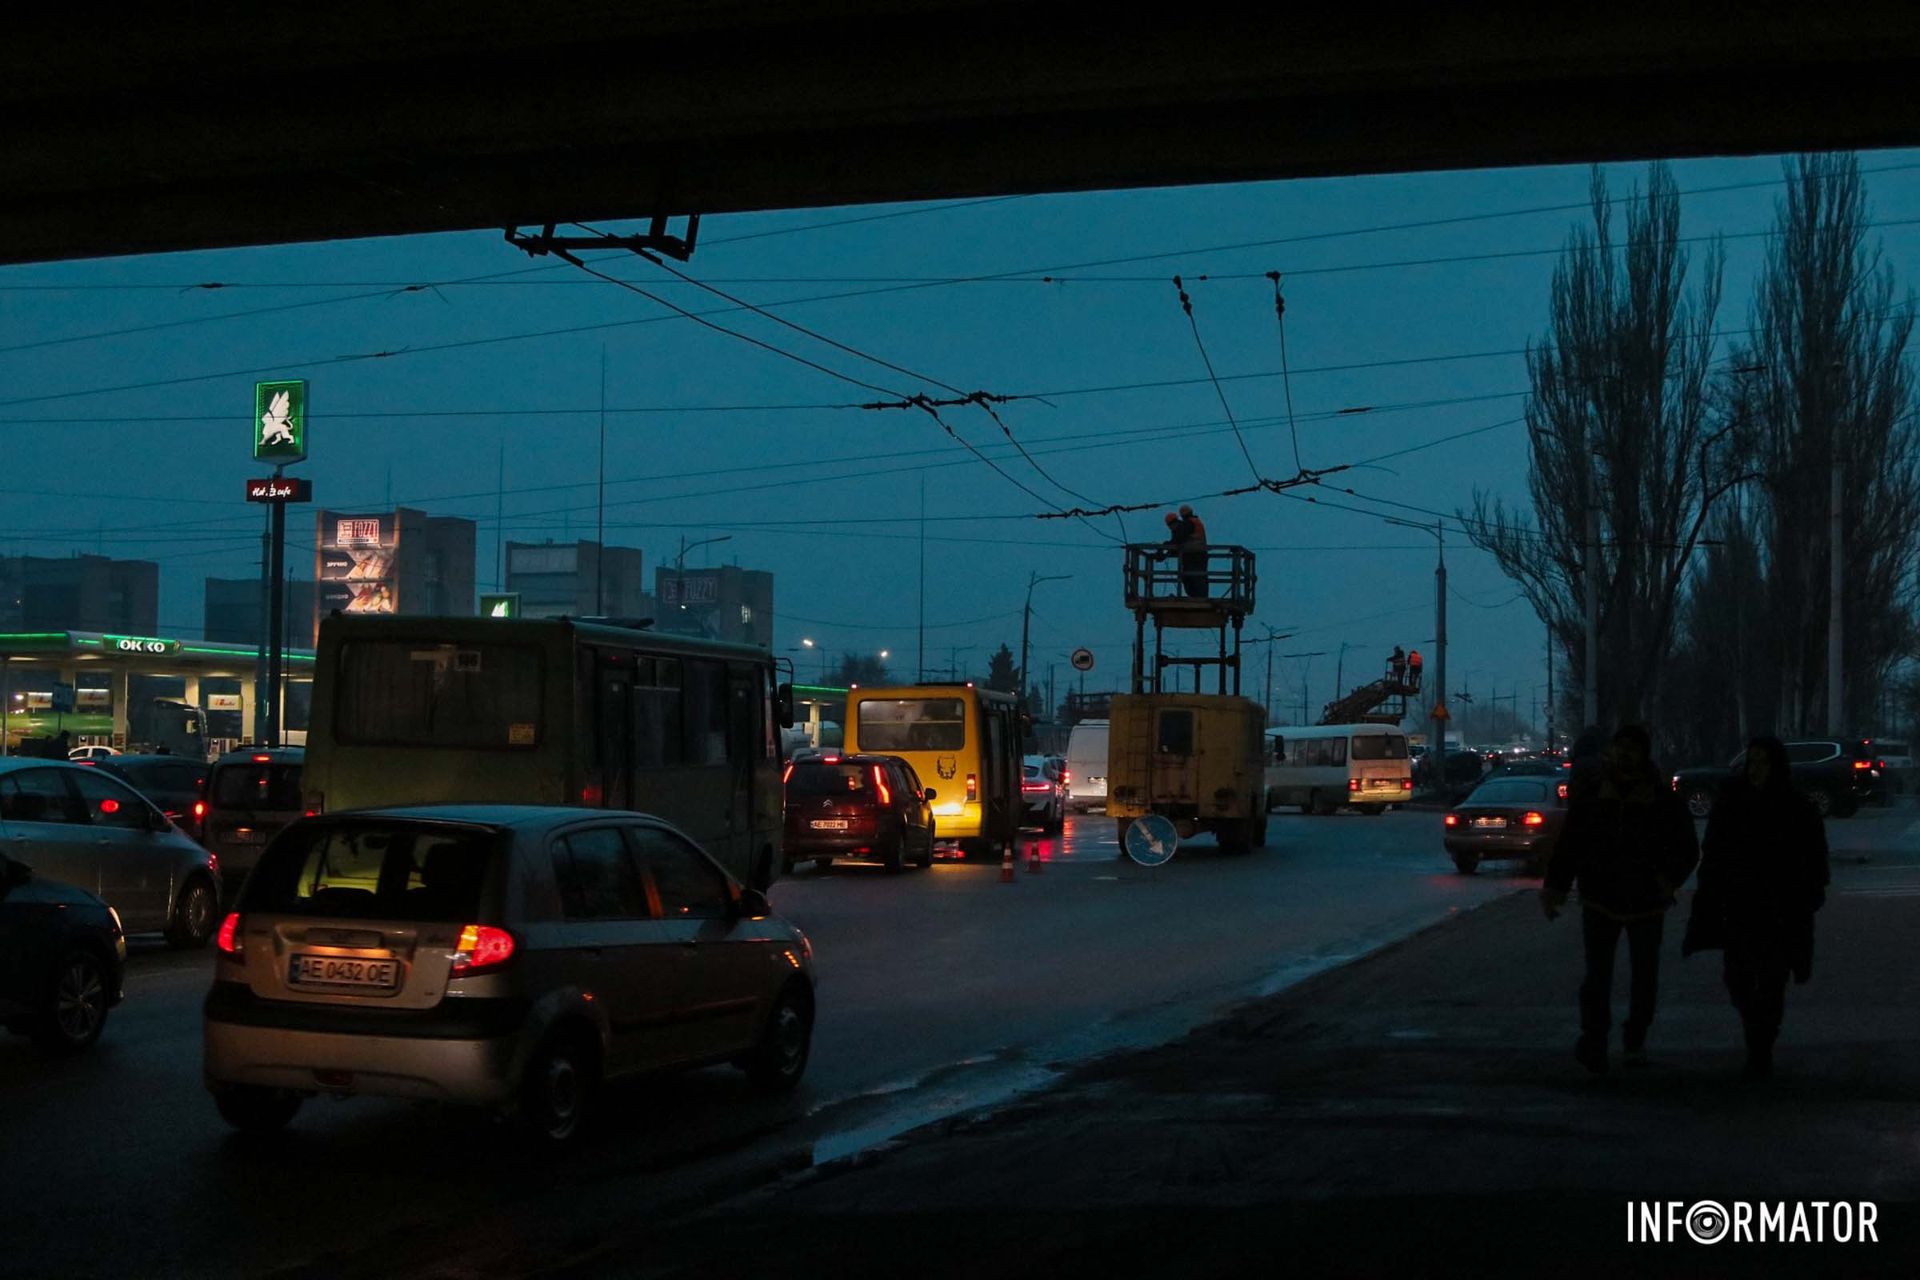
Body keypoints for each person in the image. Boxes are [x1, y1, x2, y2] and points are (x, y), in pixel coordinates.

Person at [1540, 724, 1699, 1074]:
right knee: (1597, 977)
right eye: (1619, 748)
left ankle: (1635, 1039)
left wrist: (1667, 879)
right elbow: (1571, 846)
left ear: (1643, 755)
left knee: (1644, 976)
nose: (1624, 755)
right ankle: (1595, 1039)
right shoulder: (1595, 797)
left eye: (1631, 748)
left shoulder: (1661, 799)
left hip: (1646, 901)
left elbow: (1687, 848)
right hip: (1600, 898)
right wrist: (1555, 888)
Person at [1685, 736, 1830, 1080]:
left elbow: (1814, 859)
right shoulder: (1733, 805)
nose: (1756, 770)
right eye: (1752, 763)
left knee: (1771, 980)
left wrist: (1808, 894)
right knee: (1738, 977)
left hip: (1779, 909)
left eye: (1763, 763)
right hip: (1741, 906)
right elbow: (1714, 853)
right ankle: (1758, 1032)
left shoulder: (1796, 808)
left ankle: (1760, 1045)